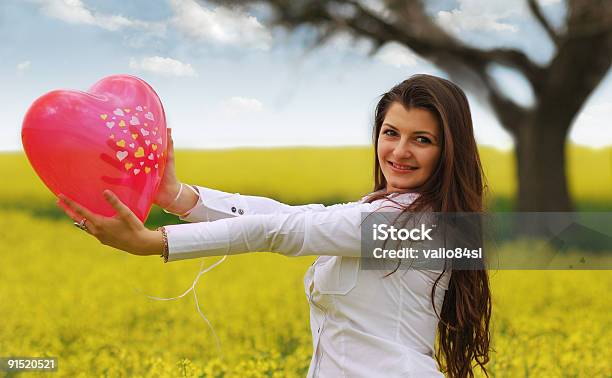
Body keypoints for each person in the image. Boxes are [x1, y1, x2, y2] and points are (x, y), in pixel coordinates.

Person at [58, 74, 491, 378]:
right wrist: (178, 197)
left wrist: (156, 242)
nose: (398, 151)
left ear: (448, 150)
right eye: (390, 132)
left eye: (422, 139)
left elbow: (279, 231)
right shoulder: (385, 213)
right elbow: (292, 216)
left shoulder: (414, 224)